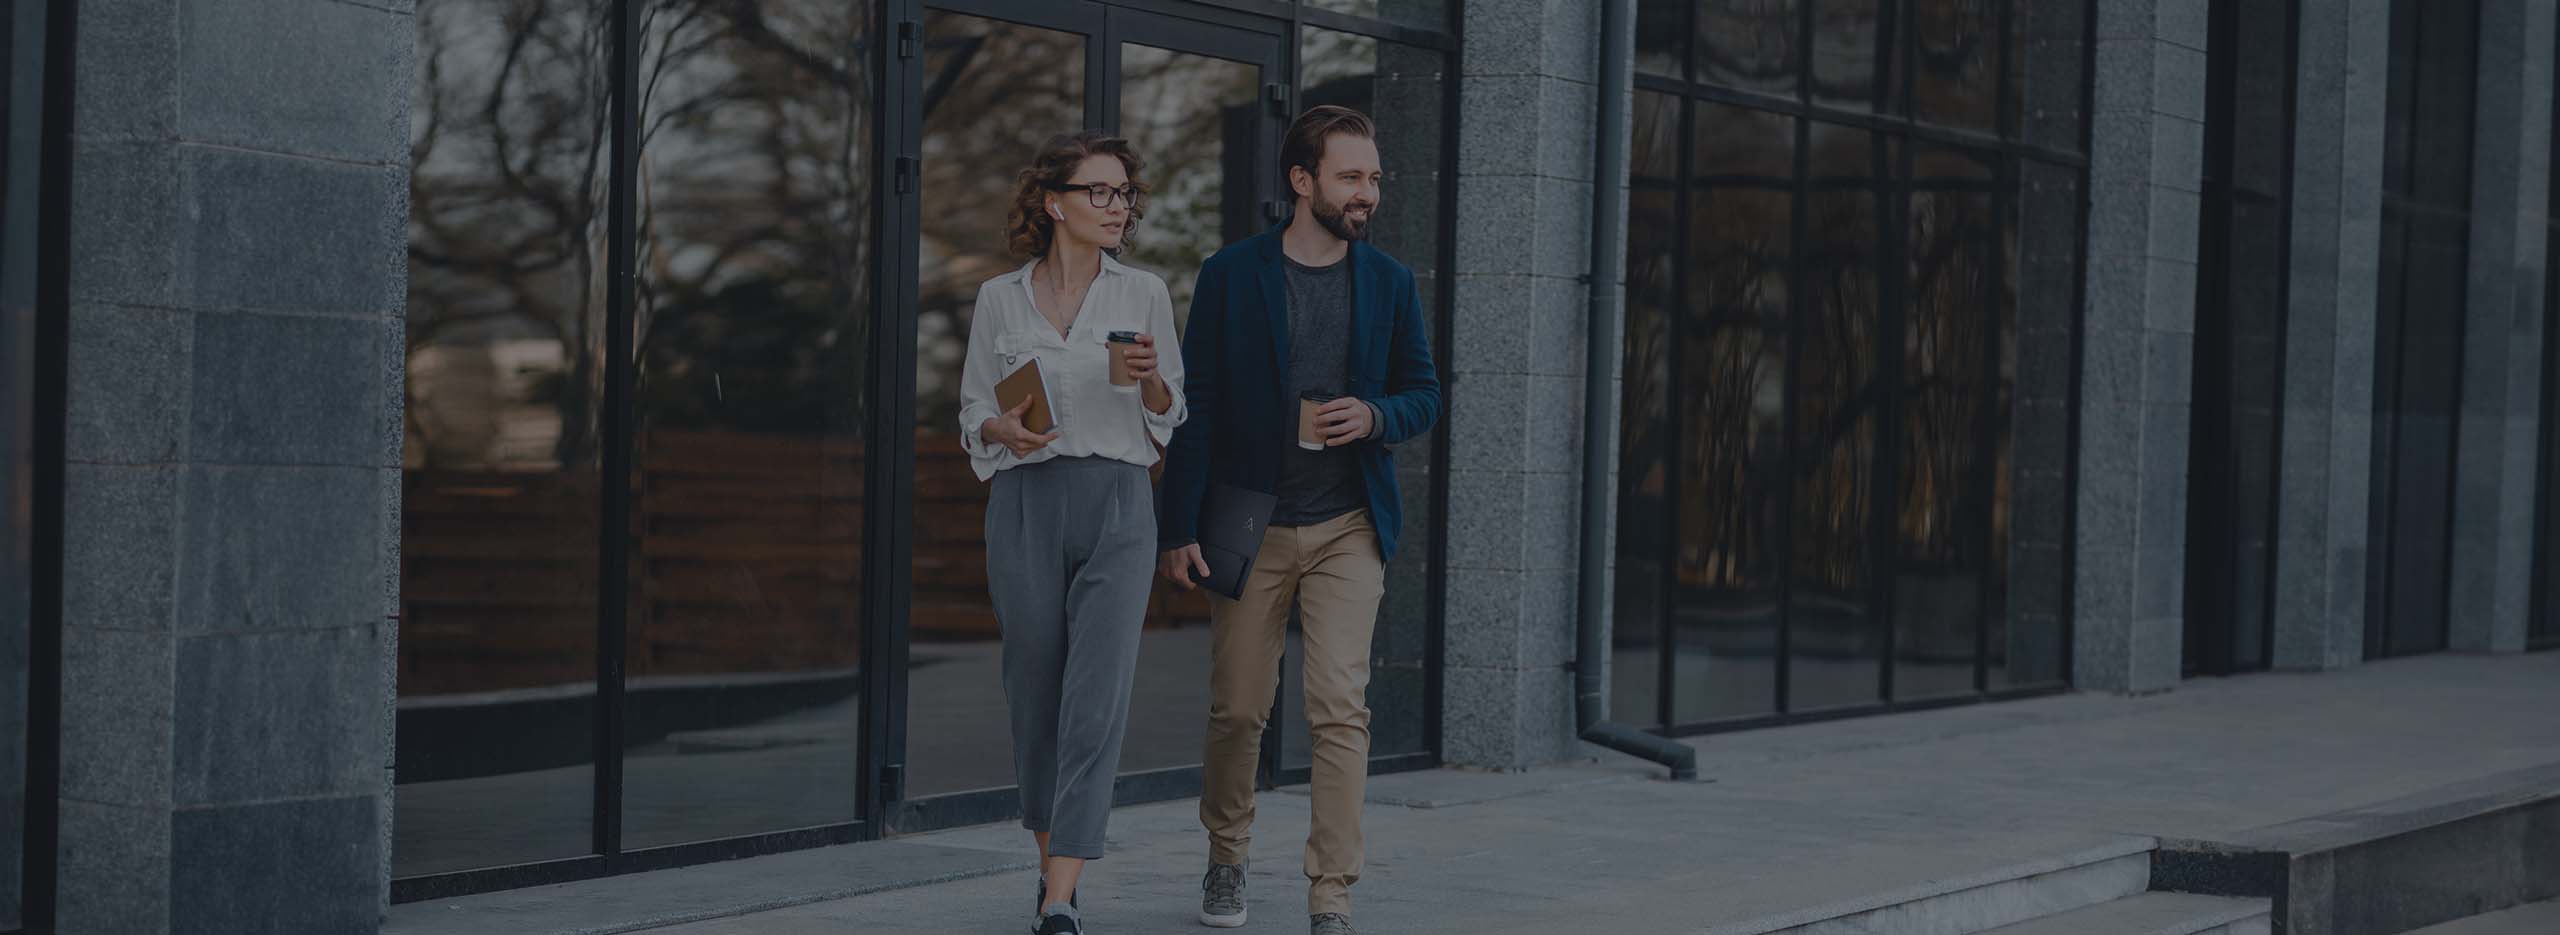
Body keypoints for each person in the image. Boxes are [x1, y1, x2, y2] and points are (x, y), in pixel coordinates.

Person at [1156, 105, 1441, 935]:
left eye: (1375, 178)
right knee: (1239, 707)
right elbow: (1198, 404)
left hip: (1349, 520)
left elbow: (1423, 390)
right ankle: (1226, 855)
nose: (1368, 194)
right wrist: (1180, 527)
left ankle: (1331, 895)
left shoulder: (1387, 282)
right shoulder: (1231, 274)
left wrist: (1377, 416)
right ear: (1302, 180)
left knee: (1338, 706)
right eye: (1352, 177)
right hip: (1250, 522)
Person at [959, 130, 1186, 935]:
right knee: (1034, 686)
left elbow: (1172, 411)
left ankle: (1061, 895)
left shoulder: (1145, 293)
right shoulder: (999, 298)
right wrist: (1003, 429)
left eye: (1125, 193)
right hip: (1023, 499)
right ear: (1055, 203)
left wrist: (1152, 378)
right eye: (1100, 191)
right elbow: (973, 410)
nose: (1117, 206)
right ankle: (1052, 863)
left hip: (1119, 501)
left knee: (1097, 698)